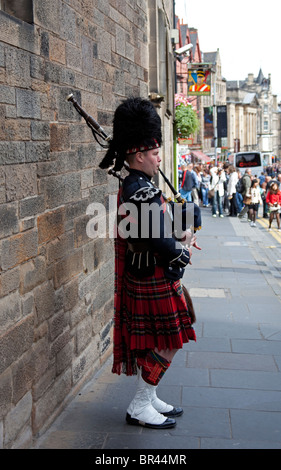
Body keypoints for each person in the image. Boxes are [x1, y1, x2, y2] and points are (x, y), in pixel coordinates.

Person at [99, 97, 202, 429]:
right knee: (168, 342)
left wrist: (184, 228)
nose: (160, 159)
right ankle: (141, 403)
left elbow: (159, 224)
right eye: (155, 154)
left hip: (149, 274)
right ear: (140, 155)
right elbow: (157, 239)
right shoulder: (139, 189)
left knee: (164, 340)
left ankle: (150, 394)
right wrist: (181, 250)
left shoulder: (140, 185)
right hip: (152, 274)